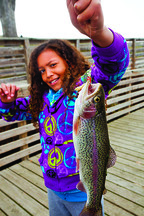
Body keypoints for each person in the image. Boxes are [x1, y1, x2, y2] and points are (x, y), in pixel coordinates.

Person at [0, 0, 129, 215]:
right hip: (53, 188)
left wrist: (99, 34)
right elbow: (12, 113)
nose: (48, 74)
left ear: (68, 62)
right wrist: (6, 102)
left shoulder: (84, 88)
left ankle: (94, 205)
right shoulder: (39, 99)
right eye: (41, 70)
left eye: (52, 65)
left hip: (83, 189)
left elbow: (112, 65)